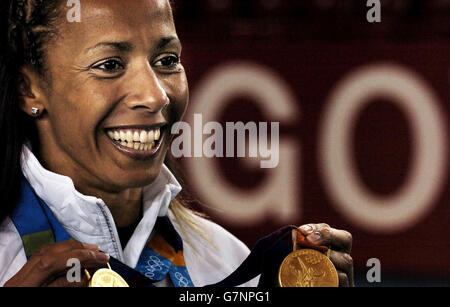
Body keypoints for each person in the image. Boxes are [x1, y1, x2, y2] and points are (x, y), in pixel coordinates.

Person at [0, 0, 354, 287]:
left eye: (167, 61)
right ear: (28, 89)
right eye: (109, 65)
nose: (155, 96)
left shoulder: (225, 261)